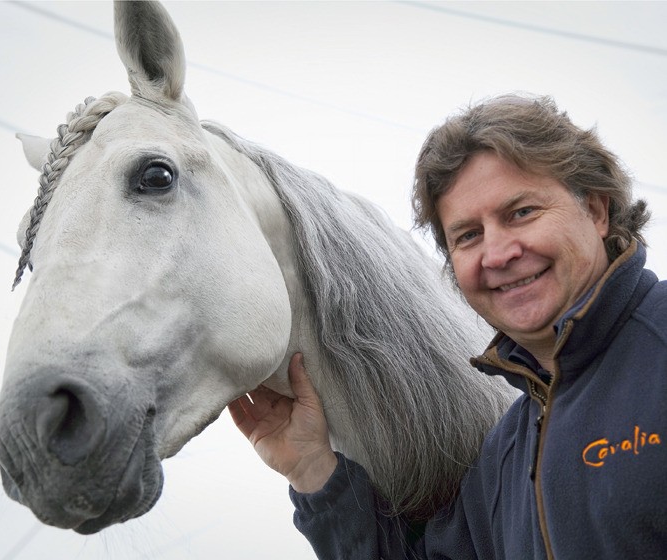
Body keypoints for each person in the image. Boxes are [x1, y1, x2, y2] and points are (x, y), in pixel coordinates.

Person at [227, 94, 667, 559]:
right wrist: (313, 468)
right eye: (468, 236)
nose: (497, 254)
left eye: (521, 213)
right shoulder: (509, 454)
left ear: (596, 211)